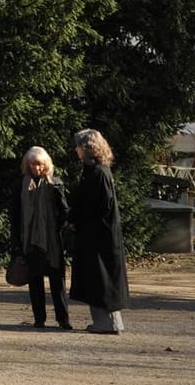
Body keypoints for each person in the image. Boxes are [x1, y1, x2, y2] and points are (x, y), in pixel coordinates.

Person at [69, 128, 129, 334]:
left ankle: (106, 322)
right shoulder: (100, 171)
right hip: (99, 235)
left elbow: (98, 205)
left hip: (97, 236)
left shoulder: (97, 173)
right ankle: (110, 321)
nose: (76, 150)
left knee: (100, 279)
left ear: (86, 148)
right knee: (103, 279)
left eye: (78, 146)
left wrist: (76, 219)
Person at [8, 145, 71, 330]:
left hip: (52, 240)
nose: (37, 168)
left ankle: (63, 319)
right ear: (27, 165)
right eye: (33, 164)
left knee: (57, 282)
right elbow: (15, 216)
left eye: (40, 165)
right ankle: (39, 319)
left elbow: (64, 211)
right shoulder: (20, 185)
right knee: (35, 281)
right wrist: (16, 243)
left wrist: (59, 230)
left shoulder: (55, 184)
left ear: (46, 165)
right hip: (30, 240)